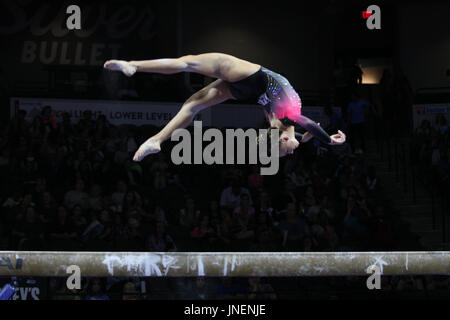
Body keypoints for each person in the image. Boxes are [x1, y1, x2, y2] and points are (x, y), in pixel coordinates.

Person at [104, 53, 346, 161]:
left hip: (249, 83)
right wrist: (326, 140)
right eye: (289, 152)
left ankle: (155, 139)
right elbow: (308, 126)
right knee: (191, 94)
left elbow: (306, 129)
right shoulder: (291, 118)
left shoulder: (285, 121)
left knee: (191, 87)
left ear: (281, 139)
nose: (293, 150)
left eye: (288, 151)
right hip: (250, 82)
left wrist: (318, 138)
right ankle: (133, 67)